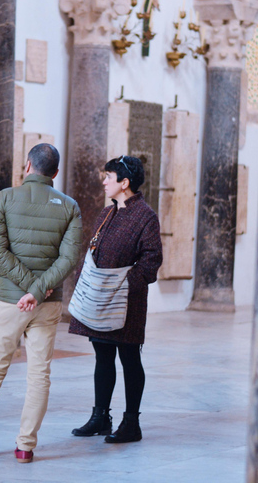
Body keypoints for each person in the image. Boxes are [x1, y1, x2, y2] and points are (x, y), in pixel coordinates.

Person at [0, 143, 82, 463]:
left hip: (10, 301)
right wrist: (39, 289)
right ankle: (25, 447)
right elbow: (69, 258)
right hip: (47, 303)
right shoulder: (69, 206)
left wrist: (28, 288)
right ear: (55, 172)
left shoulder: (5, 198)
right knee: (39, 375)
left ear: (27, 165)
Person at [68, 155, 163, 443]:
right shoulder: (106, 213)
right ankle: (100, 417)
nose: (104, 181)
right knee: (103, 356)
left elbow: (151, 261)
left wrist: (123, 286)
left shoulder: (145, 216)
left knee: (130, 358)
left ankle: (131, 423)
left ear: (125, 183)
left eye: (109, 177)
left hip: (127, 302)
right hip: (100, 299)